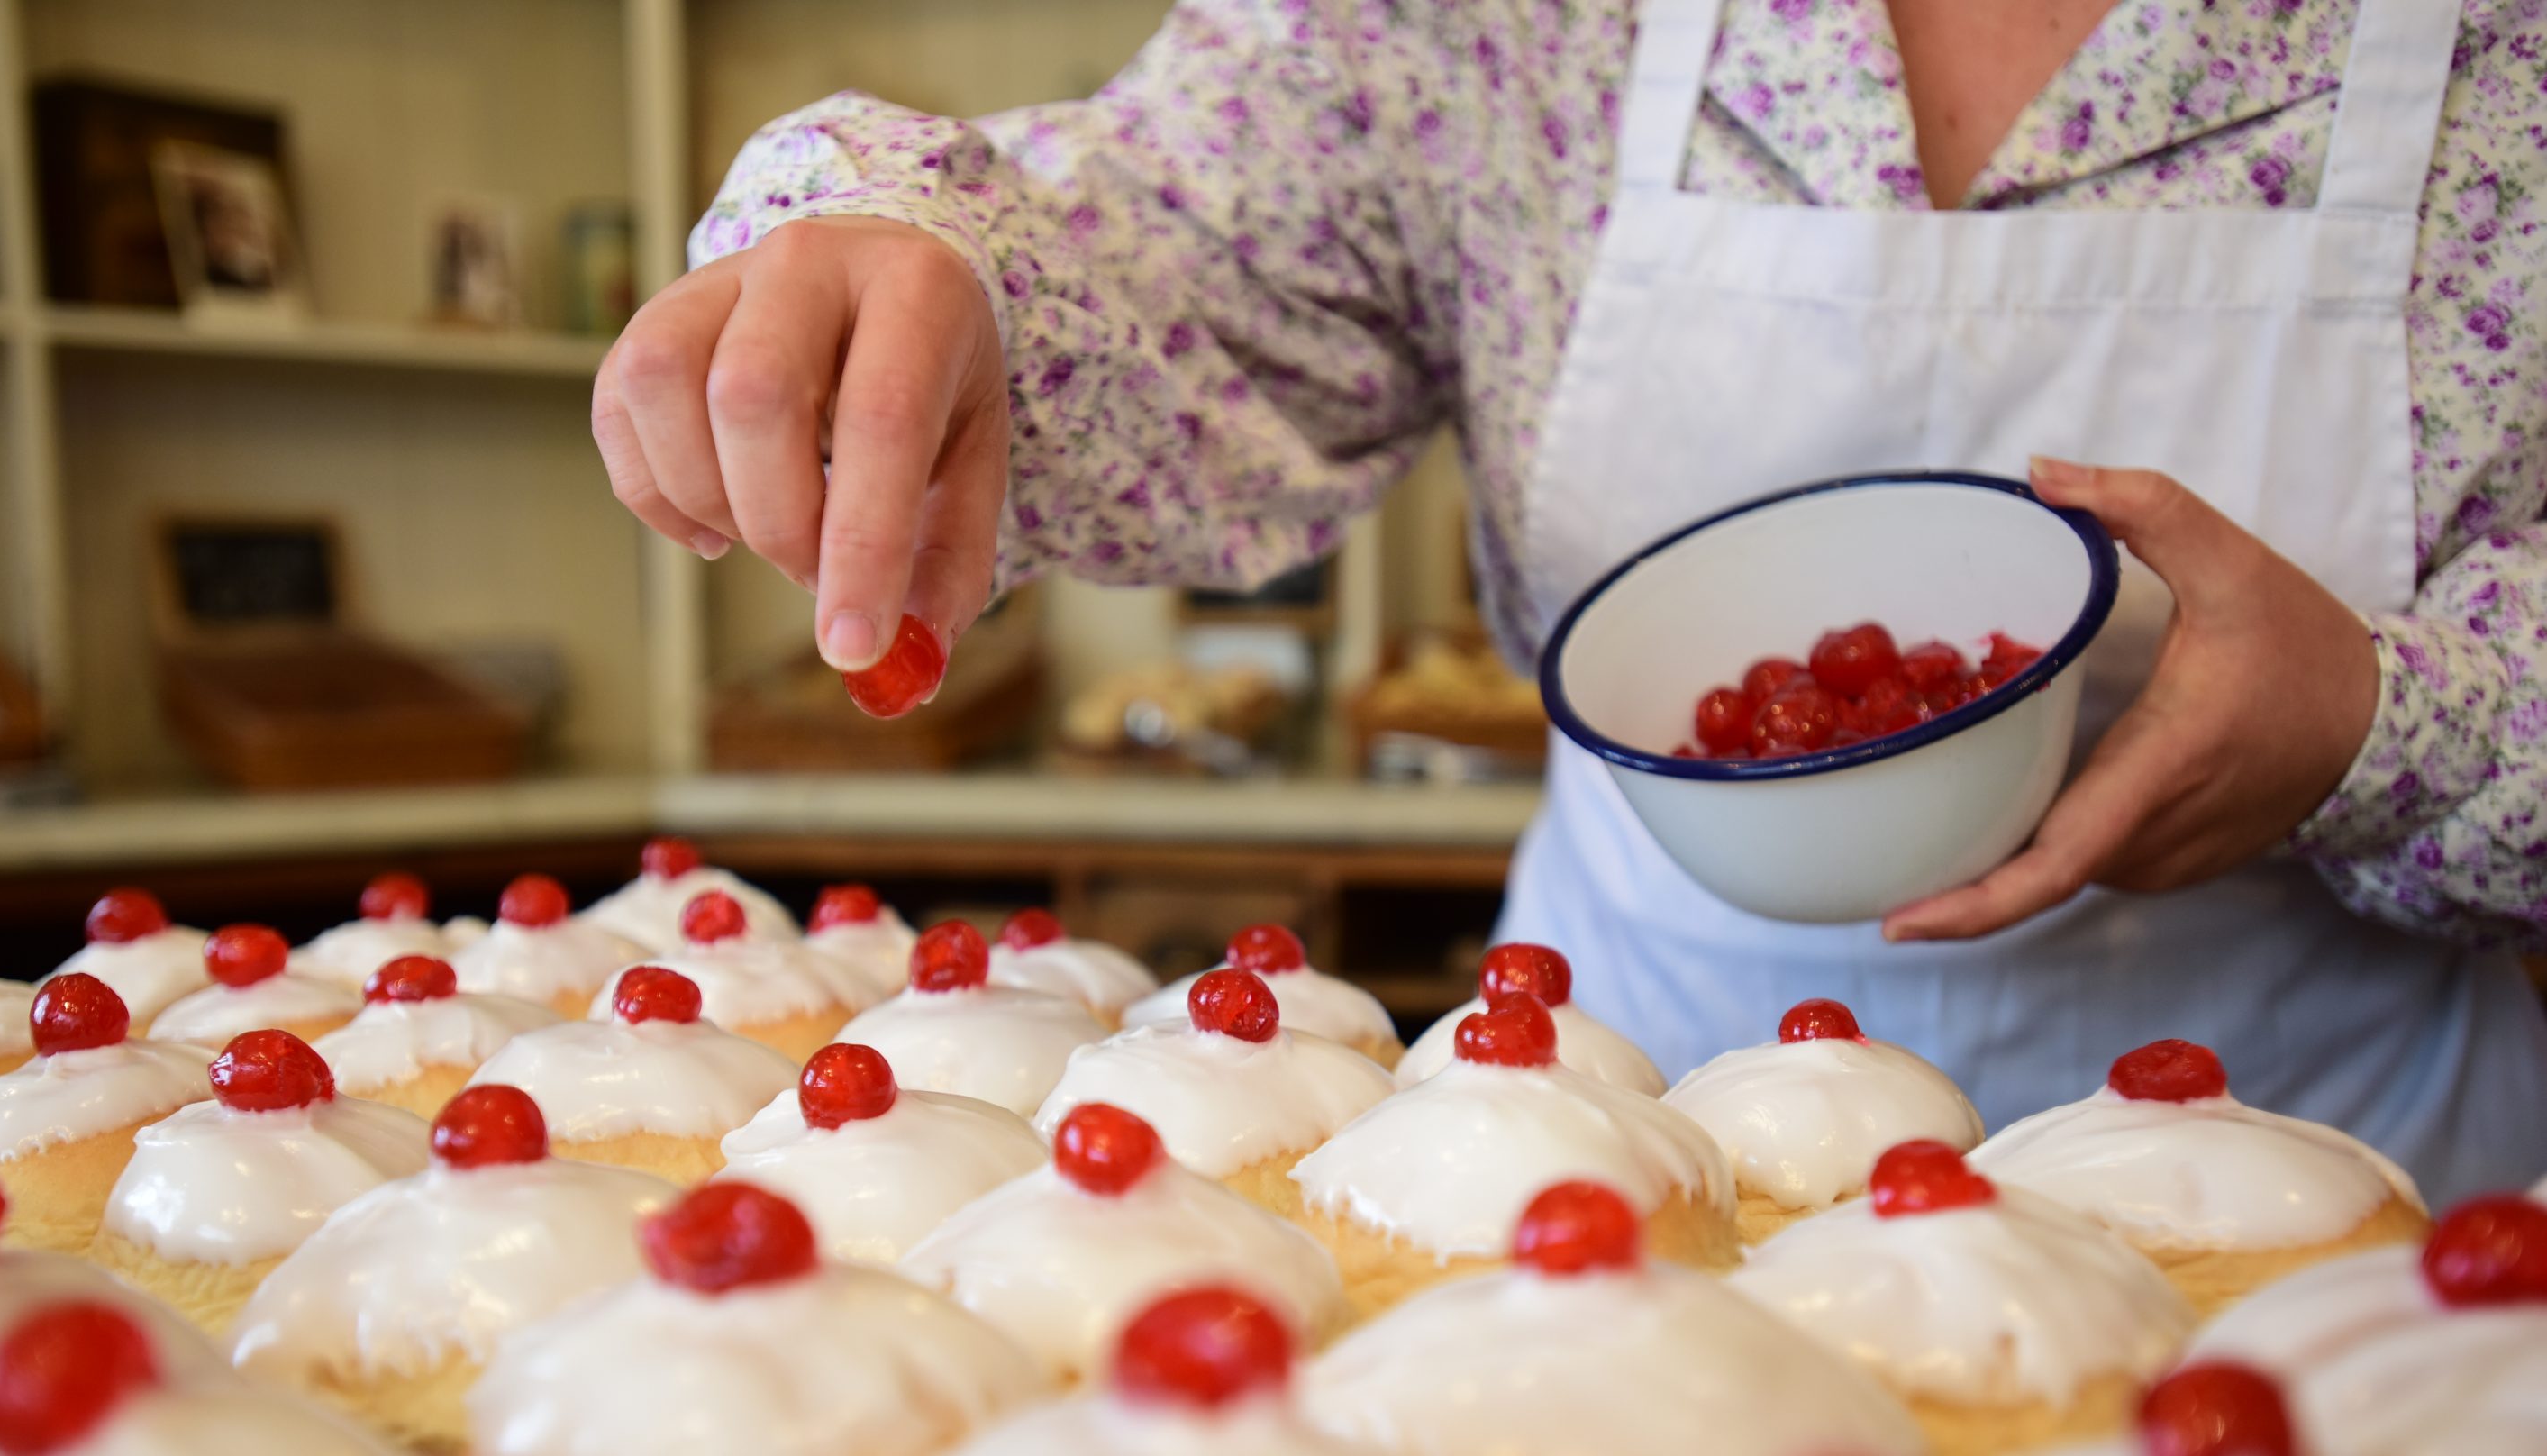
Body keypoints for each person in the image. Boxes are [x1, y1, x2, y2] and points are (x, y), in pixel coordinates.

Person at [591, 0, 2547, 1202]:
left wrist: (2398, 723)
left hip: (2340, 1226)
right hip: (1612, 1189)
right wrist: (918, 255)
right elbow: (1159, 247)